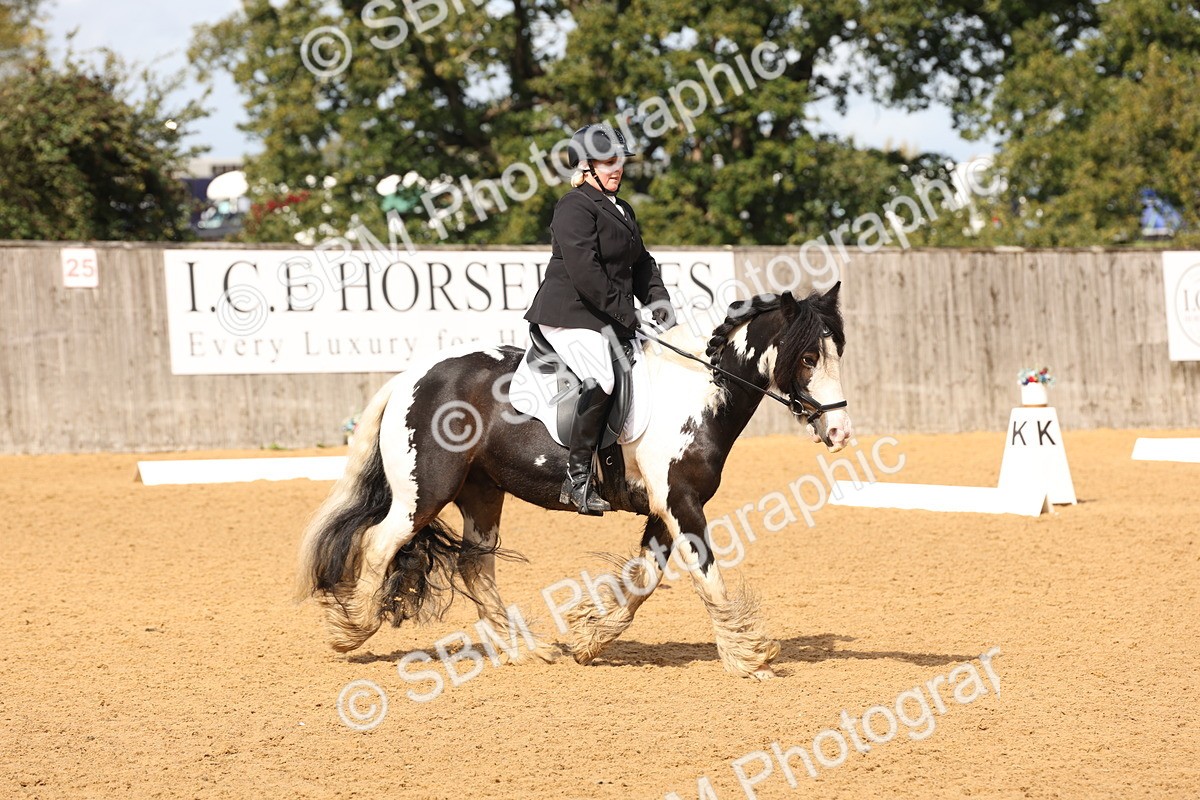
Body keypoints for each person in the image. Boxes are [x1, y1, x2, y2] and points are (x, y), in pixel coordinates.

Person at [524, 123, 675, 515]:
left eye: (620, 161)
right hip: (569, 315)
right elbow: (586, 273)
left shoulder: (622, 208)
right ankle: (576, 480)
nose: (617, 168)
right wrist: (630, 315)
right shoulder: (573, 206)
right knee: (603, 377)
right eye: (608, 161)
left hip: (606, 317)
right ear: (586, 167)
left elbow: (641, 262)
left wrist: (657, 300)